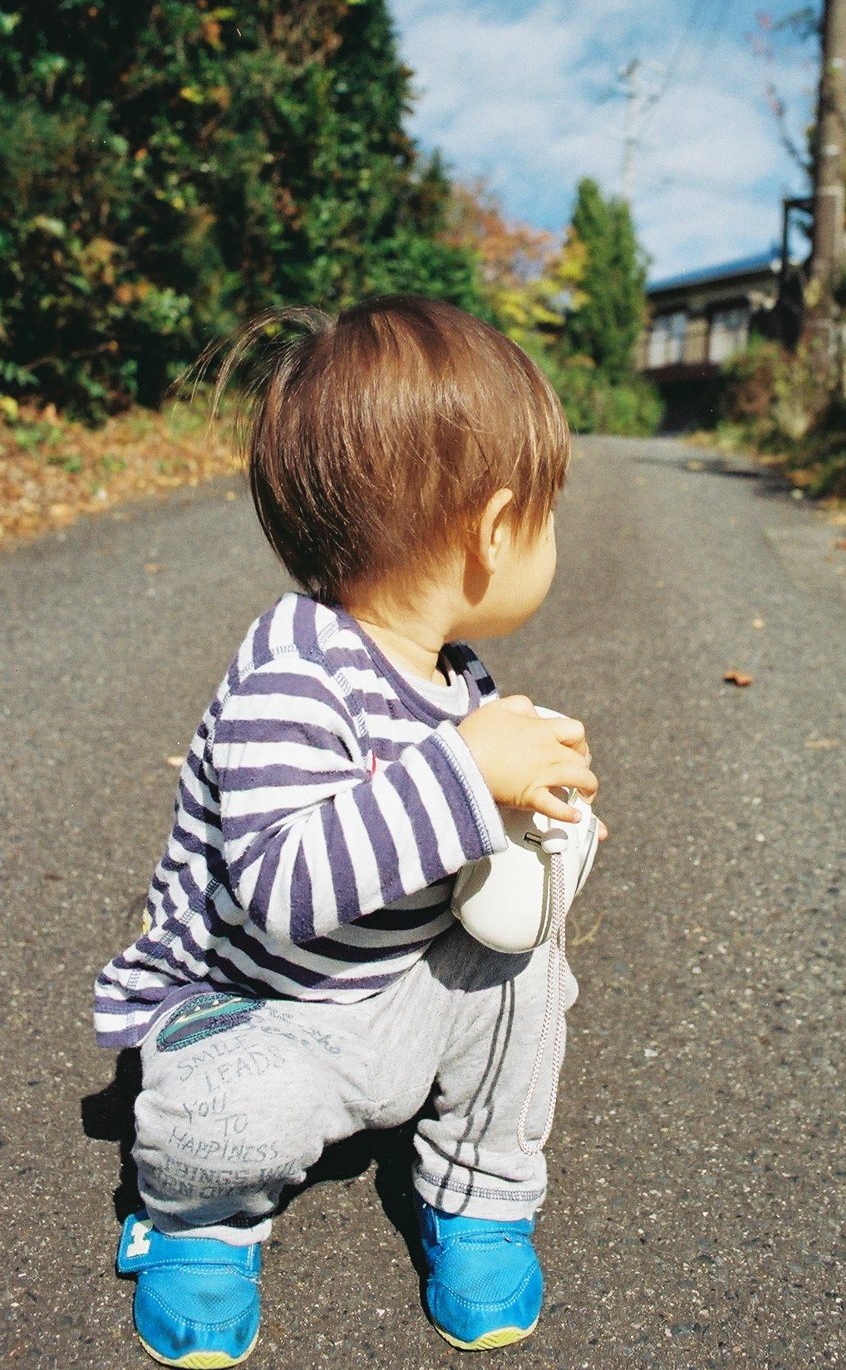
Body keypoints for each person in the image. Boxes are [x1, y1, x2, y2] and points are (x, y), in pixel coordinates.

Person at [94, 294, 604, 1367]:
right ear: (496, 527)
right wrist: (467, 773)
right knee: (231, 1110)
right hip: (263, 1007)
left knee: (525, 969)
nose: (551, 539)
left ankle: (480, 1191)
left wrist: (543, 822)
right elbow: (285, 890)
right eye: (549, 515)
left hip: (399, 984)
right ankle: (200, 1218)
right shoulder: (293, 671)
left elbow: (470, 855)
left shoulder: (463, 680)